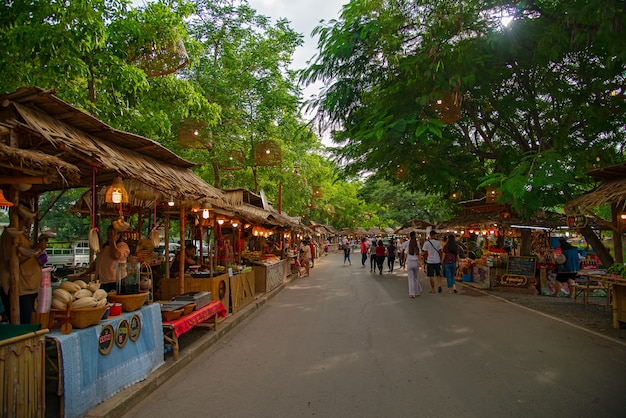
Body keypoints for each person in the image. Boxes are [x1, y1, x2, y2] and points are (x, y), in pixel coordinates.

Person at [0, 205, 42, 324]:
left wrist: (35, 250)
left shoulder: (22, 235)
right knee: (23, 326)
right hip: (19, 290)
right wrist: (35, 249)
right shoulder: (10, 236)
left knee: (28, 323)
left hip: (27, 288)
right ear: (25, 218)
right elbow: (12, 262)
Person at [81, 225, 130, 292]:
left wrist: (112, 240)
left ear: (118, 235)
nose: (109, 235)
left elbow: (115, 255)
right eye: (108, 233)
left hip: (116, 282)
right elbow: (97, 262)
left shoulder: (122, 246)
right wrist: (86, 272)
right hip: (103, 281)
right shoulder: (104, 247)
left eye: (112, 233)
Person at [406, 231, 422, 298]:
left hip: (409, 262)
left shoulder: (407, 243)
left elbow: (405, 253)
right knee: (416, 278)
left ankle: (412, 293)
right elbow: (419, 254)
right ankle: (417, 291)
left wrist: (404, 263)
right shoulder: (417, 243)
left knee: (410, 278)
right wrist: (421, 263)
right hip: (416, 262)